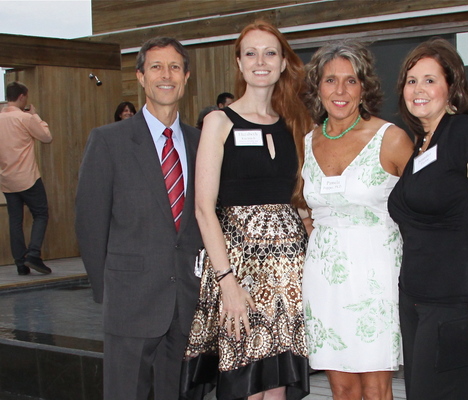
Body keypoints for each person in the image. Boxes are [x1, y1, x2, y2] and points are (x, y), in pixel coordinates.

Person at [181, 20, 313, 400]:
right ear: (238, 64)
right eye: (250, 53)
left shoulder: (293, 124)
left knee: (276, 383)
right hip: (239, 269)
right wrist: (228, 284)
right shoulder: (218, 122)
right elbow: (204, 209)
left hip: (289, 273)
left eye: (270, 53)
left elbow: (300, 202)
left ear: (283, 62)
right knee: (245, 382)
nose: (261, 61)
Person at [388, 38, 468, 399]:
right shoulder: (423, 144)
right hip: (416, 297)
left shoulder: (465, 133)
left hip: (458, 300)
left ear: (451, 86)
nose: (419, 89)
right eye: (412, 80)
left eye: (430, 80)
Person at [75, 37, 202, 400]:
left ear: (187, 77)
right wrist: (109, 291)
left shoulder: (201, 143)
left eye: (175, 67)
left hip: (185, 303)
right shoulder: (107, 141)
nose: (166, 75)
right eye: (156, 67)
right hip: (130, 302)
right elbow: (89, 223)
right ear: (141, 77)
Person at [300, 40, 412, 400]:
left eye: (351, 81)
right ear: (318, 86)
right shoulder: (307, 141)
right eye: (331, 80)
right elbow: (308, 210)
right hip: (323, 279)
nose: (340, 90)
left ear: (364, 87)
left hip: (374, 278)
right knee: (342, 388)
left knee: (376, 390)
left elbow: (423, 206)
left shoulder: (390, 139)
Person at [0, 81, 53, 276]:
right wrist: (35, 115)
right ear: (22, 96)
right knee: (41, 213)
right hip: (28, 176)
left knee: (15, 220)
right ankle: (33, 254)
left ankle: (20, 263)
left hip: (7, 178)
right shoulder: (24, 118)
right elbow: (47, 137)